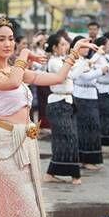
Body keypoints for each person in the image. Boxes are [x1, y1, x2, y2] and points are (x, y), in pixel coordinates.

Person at [0, 17, 96, 217]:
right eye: (1, 39)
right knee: (26, 205)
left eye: (11, 39)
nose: (8, 44)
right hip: (3, 144)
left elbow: (55, 78)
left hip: (26, 141)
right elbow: (9, 84)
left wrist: (72, 54)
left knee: (12, 205)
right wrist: (22, 56)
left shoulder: (18, 70)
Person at [44, 33, 82, 185]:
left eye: (67, 44)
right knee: (68, 138)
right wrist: (81, 62)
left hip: (67, 101)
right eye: (63, 44)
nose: (66, 47)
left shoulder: (62, 60)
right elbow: (70, 75)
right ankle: (74, 175)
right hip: (58, 102)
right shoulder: (54, 62)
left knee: (66, 138)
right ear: (55, 47)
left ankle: (51, 173)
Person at [72, 36, 108, 171]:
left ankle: (91, 158)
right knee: (85, 128)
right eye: (85, 46)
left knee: (93, 127)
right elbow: (86, 76)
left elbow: (94, 74)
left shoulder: (86, 61)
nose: (87, 49)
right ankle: (85, 159)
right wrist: (100, 65)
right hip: (81, 96)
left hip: (92, 95)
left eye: (89, 46)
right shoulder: (75, 61)